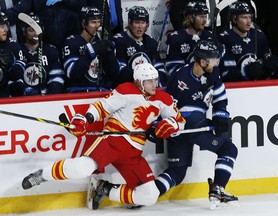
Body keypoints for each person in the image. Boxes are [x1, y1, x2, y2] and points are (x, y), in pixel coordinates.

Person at [21, 63, 186, 209]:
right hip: (112, 142)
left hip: (133, 153)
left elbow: (181, 123)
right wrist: (85, 119)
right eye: (149, 81)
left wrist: (173, 126)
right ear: (139, 82)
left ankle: (105, 189)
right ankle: (42, 175)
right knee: (82, 168)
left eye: (155, 80)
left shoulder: (163, 99)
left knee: (150, 196)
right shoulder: (126, 90)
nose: (154, 85)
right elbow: (102, 107)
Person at [154, 40, 238, 210]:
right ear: (202, 61)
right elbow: (166, 105)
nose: (216, 63)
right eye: (213, 59)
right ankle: (218, 188)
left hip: (189, 127)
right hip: (185, 126)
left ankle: (145, 194)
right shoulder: (180, 78)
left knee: (177, 172)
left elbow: (220, 98)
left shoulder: (212, 73)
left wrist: (220, 115)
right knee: (228, 149)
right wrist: (161, 123)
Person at [217, 1, 277, 82]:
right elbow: (225, 74)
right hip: (237, 88)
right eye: (244, 17)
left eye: (250, 17)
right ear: (234, 19)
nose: (248, 21)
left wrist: (269, 66)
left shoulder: (259, 35)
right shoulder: (225, 39)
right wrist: (246, 72)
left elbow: (266, 59)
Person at [62, 6, 116, 93]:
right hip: (79, 92)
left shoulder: (102, 41)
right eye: (93, 22)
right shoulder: (72, 41)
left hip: (103, 93)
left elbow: (113, 73)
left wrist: (108, 50)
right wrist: (92, 50)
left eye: (99, 22)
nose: (97, 26)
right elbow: (71, 72)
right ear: (84, 24)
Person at [111, 6, 167, 87]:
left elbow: (160, 69)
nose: (140, 26)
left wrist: (153, 84)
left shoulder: (151, 42)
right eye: (137, 22)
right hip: (128, 90)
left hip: (149, 88)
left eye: (143, 22)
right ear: (130, 23)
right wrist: (141, 79)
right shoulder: (119, 41)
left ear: (147, 25)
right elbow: (119, 70)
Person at [2, 0, 87, 50]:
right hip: (47, 45)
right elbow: (18, 12)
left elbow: (83, 6)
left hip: (73, 42)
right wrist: (1, 16)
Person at [16, 13, 65, 95]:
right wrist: (26, 91)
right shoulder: (17, 50)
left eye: (37, 29)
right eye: (31, 30)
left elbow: (57, 77)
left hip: (46, 99)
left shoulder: (50, 50)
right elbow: (14, 79)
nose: (35, 33)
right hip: (23, 101)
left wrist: (49, 97)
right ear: (24, 32)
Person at [165, 1, 218, 76]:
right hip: (185, 83)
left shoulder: (209, 37)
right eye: (201, 16)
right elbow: (173, 68)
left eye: (205, 16)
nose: (204, 20)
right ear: (190, 17)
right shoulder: (176, 38)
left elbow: (217, 65)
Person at [0, 11, 26, 97]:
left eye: (6, 25)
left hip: (8, 91)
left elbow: (19, 71)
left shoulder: (13, 45)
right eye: (2, 26)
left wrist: (10, 65)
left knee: (18, 85)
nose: (6, 29)